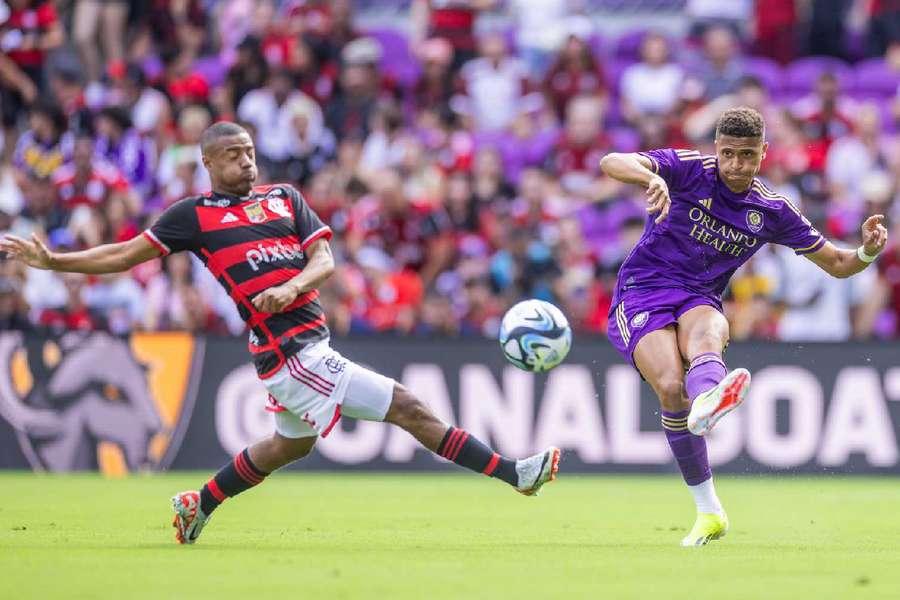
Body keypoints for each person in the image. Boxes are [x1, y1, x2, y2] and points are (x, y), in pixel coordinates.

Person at [0, 121, 560, 545]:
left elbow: (325, 262)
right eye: (232, 155)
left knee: (289, 444)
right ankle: (517, 475)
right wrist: (55, 262)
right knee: (408, 407)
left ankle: (200, 504)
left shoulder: (284, 198)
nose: (246, 162)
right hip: (289, 353)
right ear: (208, 164)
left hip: (309, 343)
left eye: (249, 151)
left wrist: (293, 287)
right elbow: (123, 254)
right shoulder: (192, 217)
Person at [598, 107, 888, 546]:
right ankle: (709, 506)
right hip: (643, 290)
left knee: (709, 329)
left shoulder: (771, 210)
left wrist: (866, 251)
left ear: (763, 154)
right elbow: (611, 161)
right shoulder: (689, 170)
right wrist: (650, 177)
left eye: (747, 156)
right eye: (729, 154)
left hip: (700, 296)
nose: (736, 165)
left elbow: (838, 264)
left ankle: (708, 401)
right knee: (671, 387)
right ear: (716, 149)